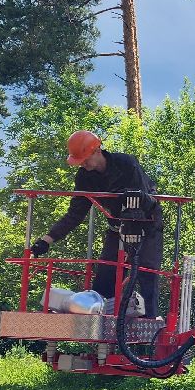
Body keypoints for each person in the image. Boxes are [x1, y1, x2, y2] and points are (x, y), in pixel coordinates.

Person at [30, 131, 165, 316]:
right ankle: (101, 319)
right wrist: (47, 240)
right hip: (117, 228)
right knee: (105, 277)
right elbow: (75, 214)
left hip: (147, 227)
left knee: (146, 273)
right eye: (79, 161)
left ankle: (150, 323)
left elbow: (145, 200)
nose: (83, 164)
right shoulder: (85, 177)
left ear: (97, 150)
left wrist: (133, 203)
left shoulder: (126, 164)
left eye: (85, 159)